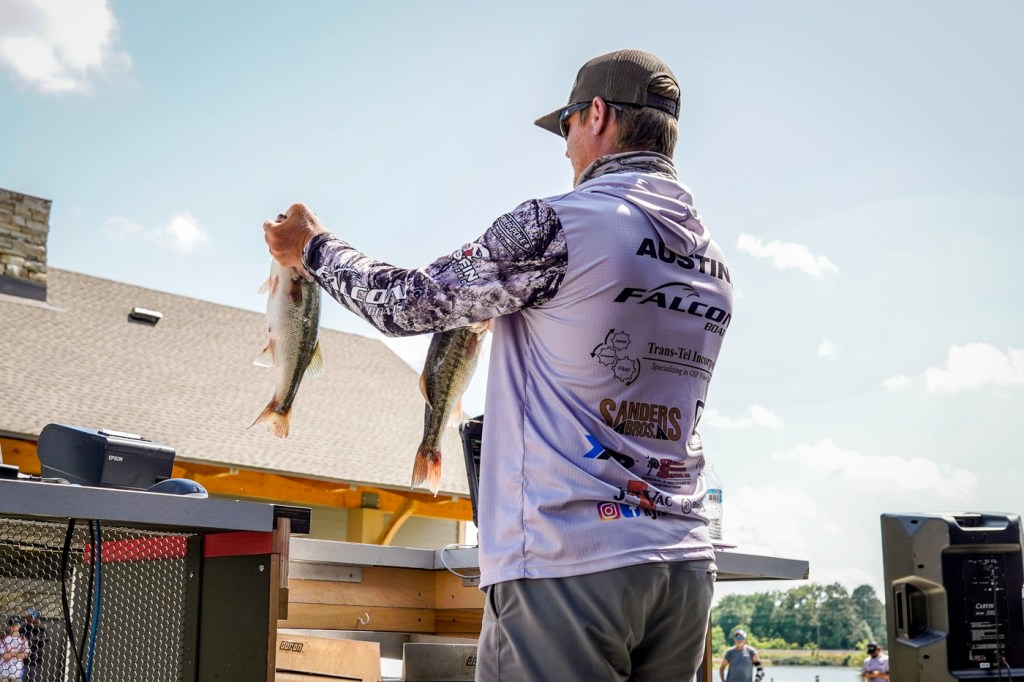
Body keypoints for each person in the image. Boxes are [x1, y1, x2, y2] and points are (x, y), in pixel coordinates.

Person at [265, 48, 733, 682]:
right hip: (684, 569)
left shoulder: (562, 222)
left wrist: (313, 248)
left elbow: (408, 303)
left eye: (567, 124)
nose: (566, 148)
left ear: (597, 115)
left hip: (569, 564)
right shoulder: (710, 260)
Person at [19, 609, 46, 682]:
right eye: (31, 616)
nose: (34, 618)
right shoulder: (22, 629)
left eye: (36, 616)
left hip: (37, 661)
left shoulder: (41, 630)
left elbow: (45, 641)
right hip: (23, 662)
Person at [0, 616, 30, 681]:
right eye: (13, 625)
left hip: (17, 673)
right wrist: (19, 654)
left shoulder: (23, 639)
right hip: (3, 673)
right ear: (9, 626)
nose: (14, 627)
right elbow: (4, 656)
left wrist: (10, 654)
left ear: (20, 626)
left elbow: (25, 655)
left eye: (16, 625)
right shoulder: (3, 639)